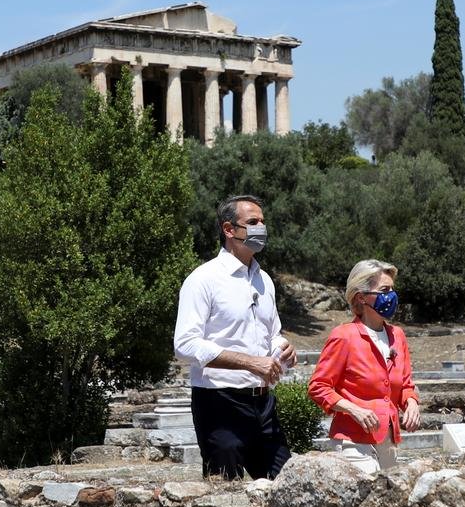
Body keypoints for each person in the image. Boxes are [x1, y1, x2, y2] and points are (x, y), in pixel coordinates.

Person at [174, 194, 297, 480]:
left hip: (264, 404)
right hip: (219, 404)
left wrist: (282, 349)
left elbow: (271, 334)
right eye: (252, 222)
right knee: (225, 493)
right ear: (229, 230)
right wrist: (249, 363)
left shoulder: (263, 280)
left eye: (263, 222)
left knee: (286, 489)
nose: (261, 228)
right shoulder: (203, 279)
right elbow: (185, 345)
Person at [307, 259, 420, 475]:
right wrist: (354, 409)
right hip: (352, 441)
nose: (392, 296)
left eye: (393, 290)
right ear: (361, 296)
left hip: (388, 441)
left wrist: (412, 403)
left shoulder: (398, 336)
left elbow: (405, 384)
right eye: (384, 290)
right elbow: (318, 387)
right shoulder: (344, 336)